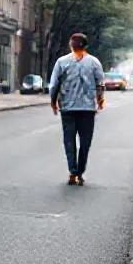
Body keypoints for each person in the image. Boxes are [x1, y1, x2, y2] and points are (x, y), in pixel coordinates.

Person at [48, 33, 106, 186]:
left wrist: (53, 101)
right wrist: (100, 100)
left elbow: (54, 85)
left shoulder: (62, 62)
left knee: (69, 141)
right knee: (85, 142)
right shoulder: (94, 62)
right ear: (85, 46)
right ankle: (80, 173)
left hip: (67, 108)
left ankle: (73, 172)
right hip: (88, 109)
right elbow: (100, 84)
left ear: (71, 45)